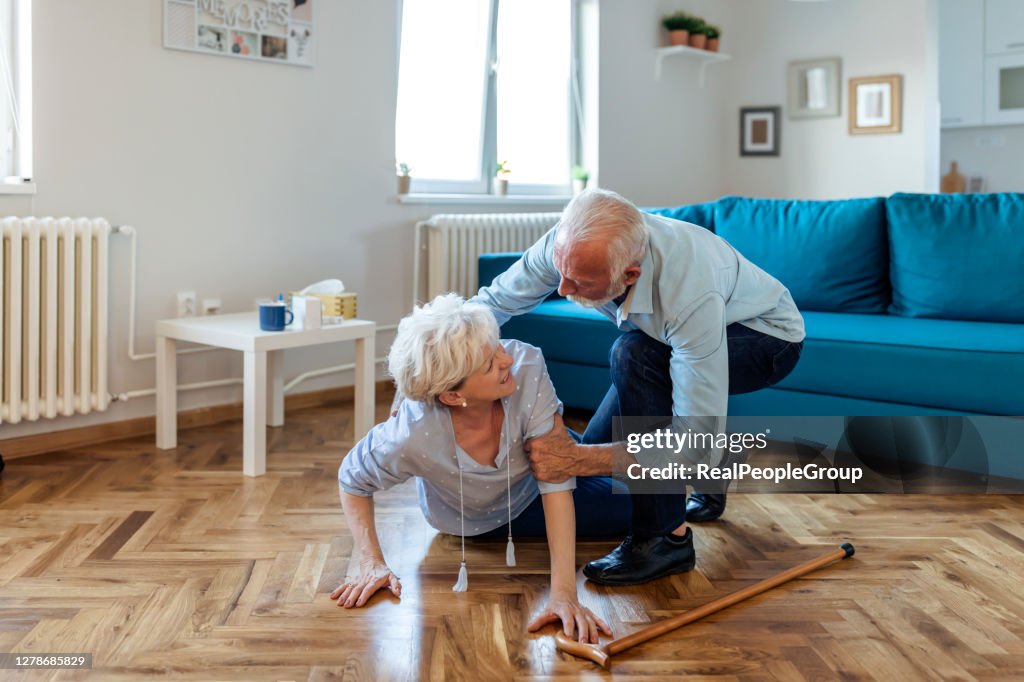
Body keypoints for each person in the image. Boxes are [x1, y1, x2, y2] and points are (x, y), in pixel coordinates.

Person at [472, 188, 805, 585]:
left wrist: (579, 460)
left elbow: (694, 441)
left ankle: (665, 540)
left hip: (766, 338)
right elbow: (493, 303)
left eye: (578, 282)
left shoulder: (687, 292)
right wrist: (435, 360)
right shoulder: (569, 245)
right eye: (560, 272)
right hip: (680, 334)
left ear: (630, 274)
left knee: (634, 357)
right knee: (601, 454)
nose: (560, 289)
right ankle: (717, 472)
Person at [331, 293, 626, 643]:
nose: (507, 360)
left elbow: (555, 476)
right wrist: (372, 562)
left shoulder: (524, 363)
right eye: (490, 363)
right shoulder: (409, 434)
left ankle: (692, 471)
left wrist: (564, 592)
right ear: (453, 396)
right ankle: (682, 481)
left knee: (632, 360)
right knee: (637, 504)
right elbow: (352, 478)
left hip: (539, 463)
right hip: (488, 515)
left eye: (497, 345)